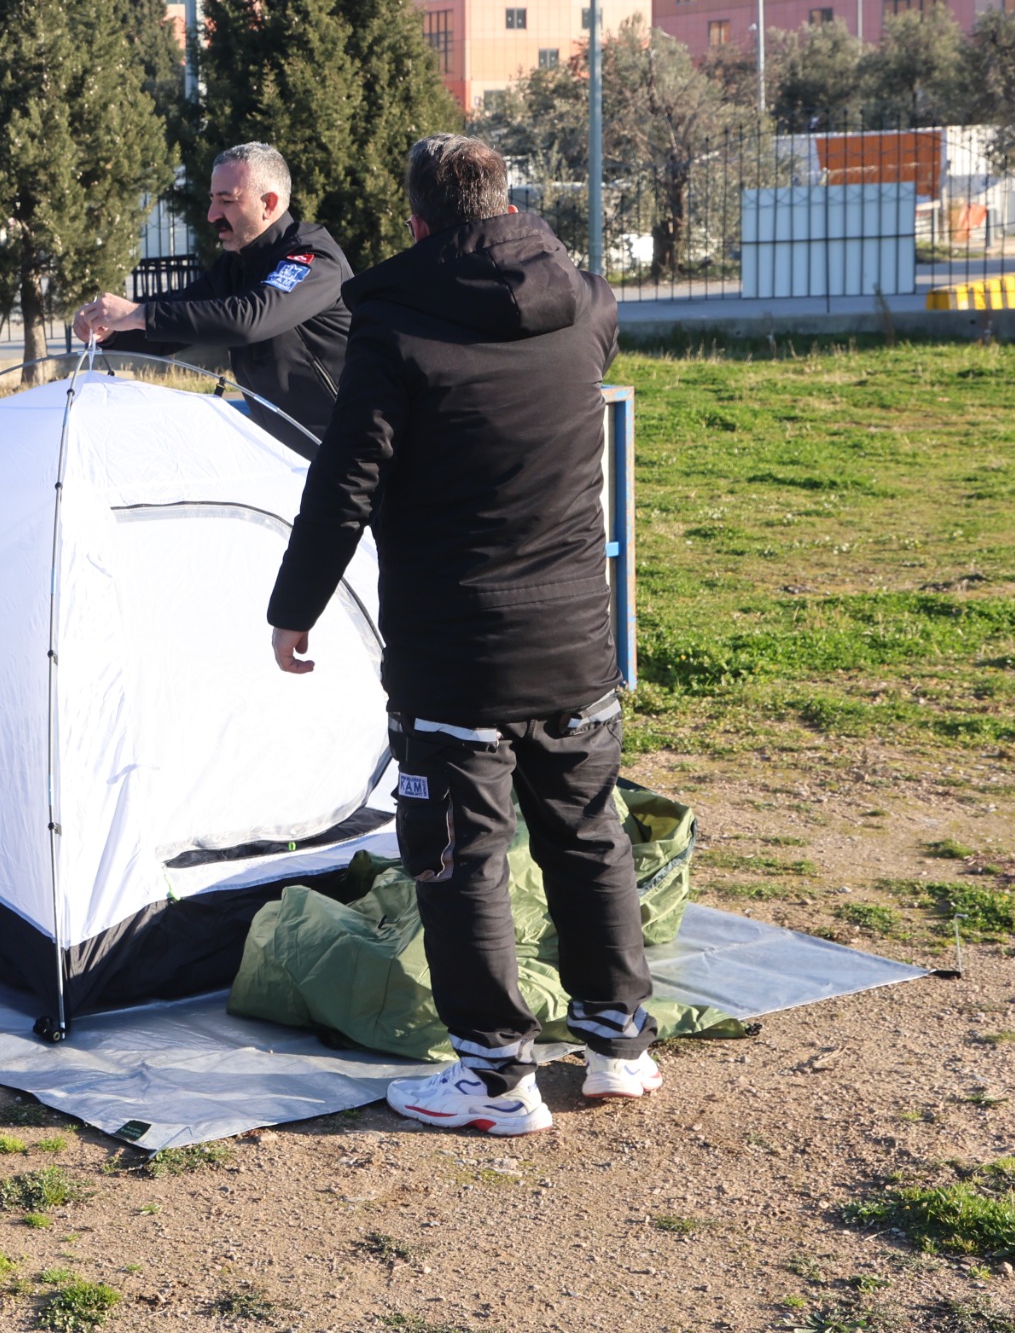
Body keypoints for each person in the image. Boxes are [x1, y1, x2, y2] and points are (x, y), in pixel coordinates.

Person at [264, 133, 658, 1137]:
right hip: (575, 636)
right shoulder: (588, 303)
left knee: (458, 858)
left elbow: (345, 481)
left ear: (415, 220)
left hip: (456, 648)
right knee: (587, 835)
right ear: (507, 202)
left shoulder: (393, 324)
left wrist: (293, 604)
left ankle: (493, 1078)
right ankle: (618, 1046)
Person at [70, 142, 352, 451]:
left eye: (227, 201)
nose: (212, 215)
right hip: (293, 454)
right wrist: (113, 331)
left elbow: (248, 320)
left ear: (268, 204)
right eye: (212, 199)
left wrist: (138, 315)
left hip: (356, 449)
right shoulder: (236, 265)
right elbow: (178, 319)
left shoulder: (312, 258)